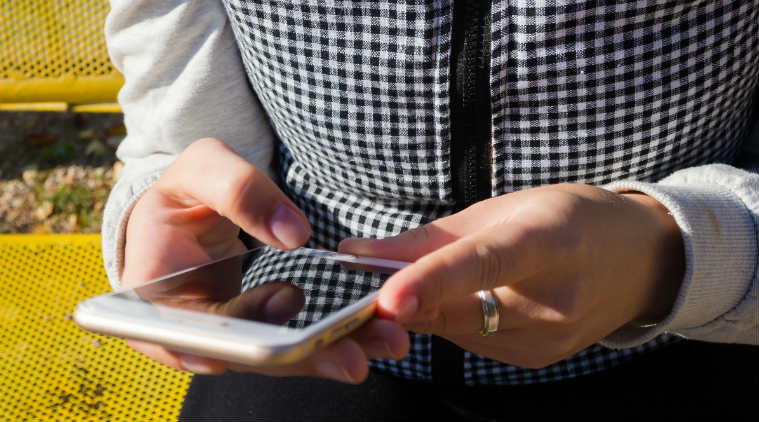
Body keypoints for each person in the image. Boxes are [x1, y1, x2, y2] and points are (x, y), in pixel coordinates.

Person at [102, 0, 758, 419]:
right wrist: (171, 196)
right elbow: (174, 97)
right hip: (302, 331)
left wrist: (675, 254)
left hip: (694, 330)